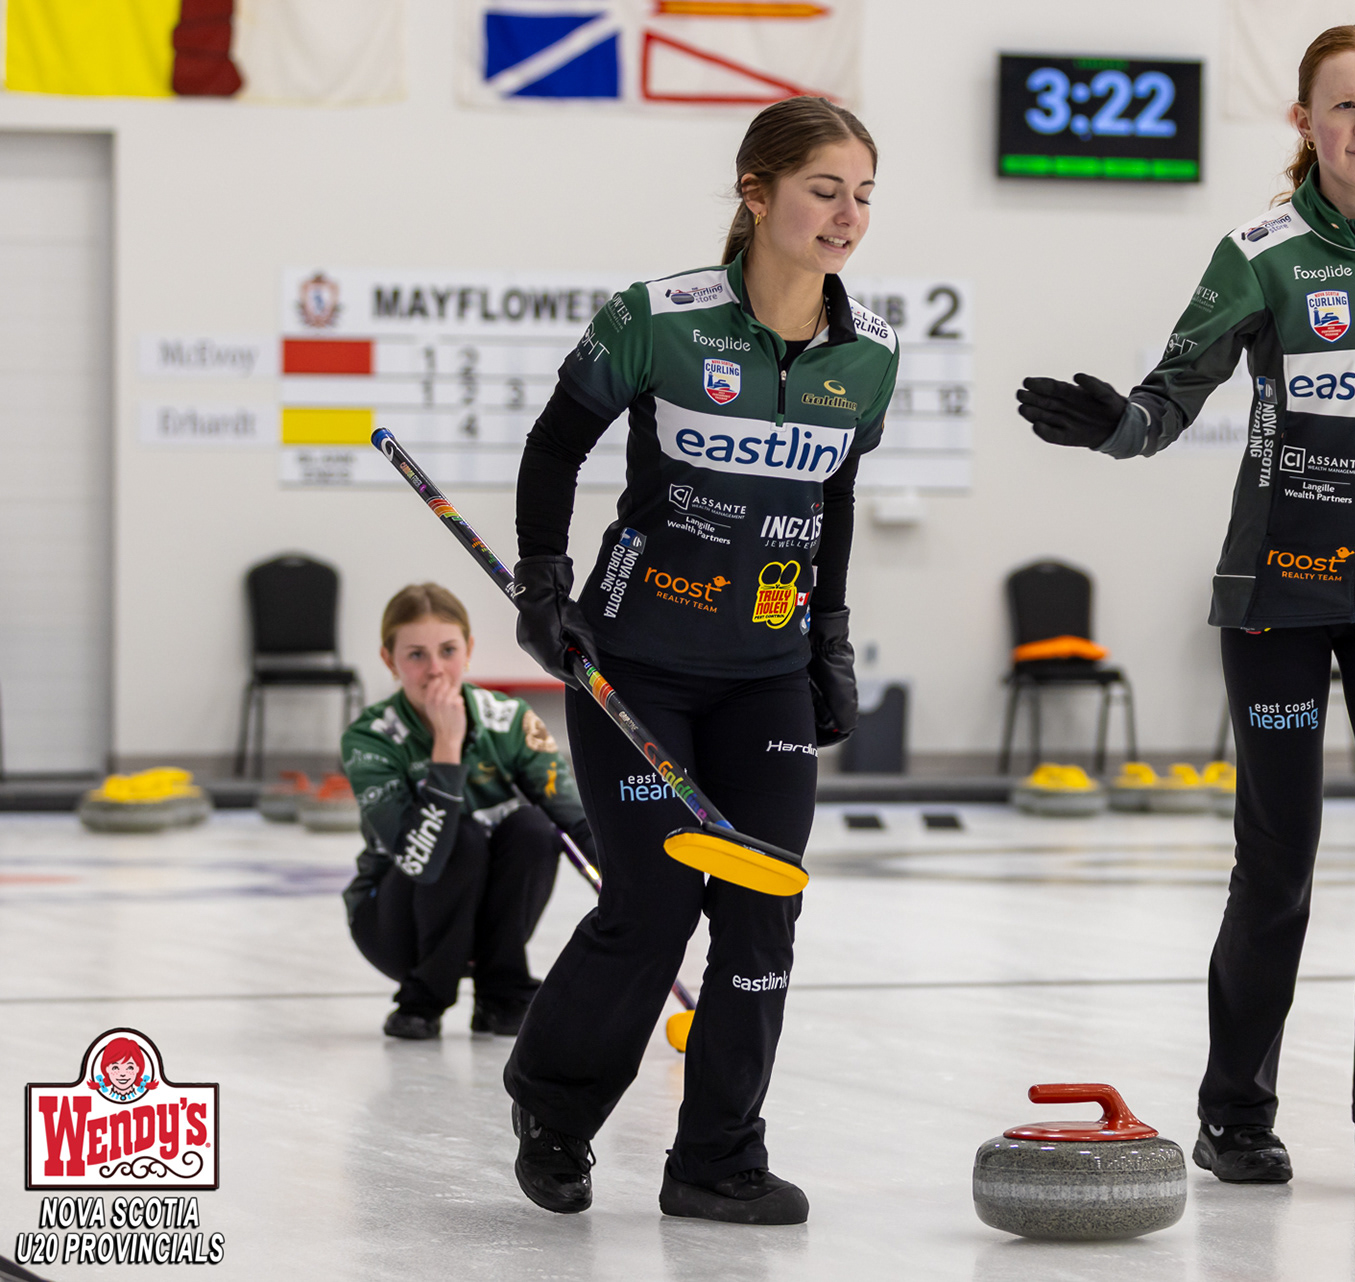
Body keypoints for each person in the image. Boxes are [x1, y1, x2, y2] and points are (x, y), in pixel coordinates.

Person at [1016, 25, 1355, 1198]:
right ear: (1305, 121)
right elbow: (1173, 391)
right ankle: (1235, 1113)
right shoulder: (1260, 255)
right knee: (1278, 859)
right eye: (1342, 106)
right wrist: (1119, 427)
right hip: (1278, 594)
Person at [501, 95, 895, 1226]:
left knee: (764, 909)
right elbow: (555, 444)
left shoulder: (868, 356)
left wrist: (828, 638)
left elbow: (834, 502)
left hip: (765, 670)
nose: (848, 215)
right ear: (756, 193)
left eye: (864, 195)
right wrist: (543, 583)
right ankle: (555, 1111)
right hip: (638, 661)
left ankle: (717, 1156)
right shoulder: (659, 319)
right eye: (825, 190)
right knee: (655, 900)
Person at [341, 583, 593, 1042]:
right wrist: (447, 747)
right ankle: (423, 998)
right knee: (459, 835)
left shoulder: (512, 719)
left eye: (448, 650)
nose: (436, 669)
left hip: (483, 922)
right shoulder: (369, 737)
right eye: (416, 655)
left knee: (534, 828)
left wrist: (632, 886)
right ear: (389, 660)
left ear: (469, 651)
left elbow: (575, 819)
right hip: (394, 927)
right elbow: (420, 861)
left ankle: (503, 993)